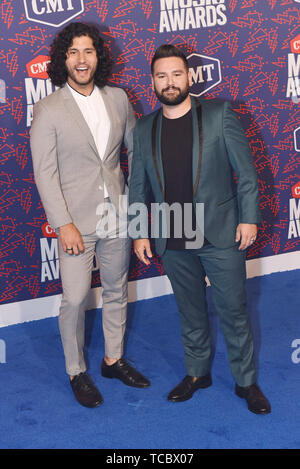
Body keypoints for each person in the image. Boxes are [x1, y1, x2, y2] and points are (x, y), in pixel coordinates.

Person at [129, 44, 271, 414]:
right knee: (189, 310)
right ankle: (197, 373)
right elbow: (138, 186)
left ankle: (245, 382)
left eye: (177, 74)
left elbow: (247, 174)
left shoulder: (219, 114)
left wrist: (249, 217)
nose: (170, 82)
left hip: (220, 231)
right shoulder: (144, 128)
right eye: (162, 76)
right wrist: (139, 231)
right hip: (172, 232)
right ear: (153, 81)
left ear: (190, 77)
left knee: (233, 310)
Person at [30, 22, 150, 408]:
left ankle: (113, 359)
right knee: (77, 297)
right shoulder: (48, 108)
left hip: (117, 214)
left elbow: (136, 153)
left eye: (89, 51)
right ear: (63, 59)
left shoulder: (117, 98)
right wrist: (62, 223)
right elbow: (45, 172)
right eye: (73, 52)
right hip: (74, 223)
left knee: (117, 290)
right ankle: (75, 369)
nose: (82, 60)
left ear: (99, 57)